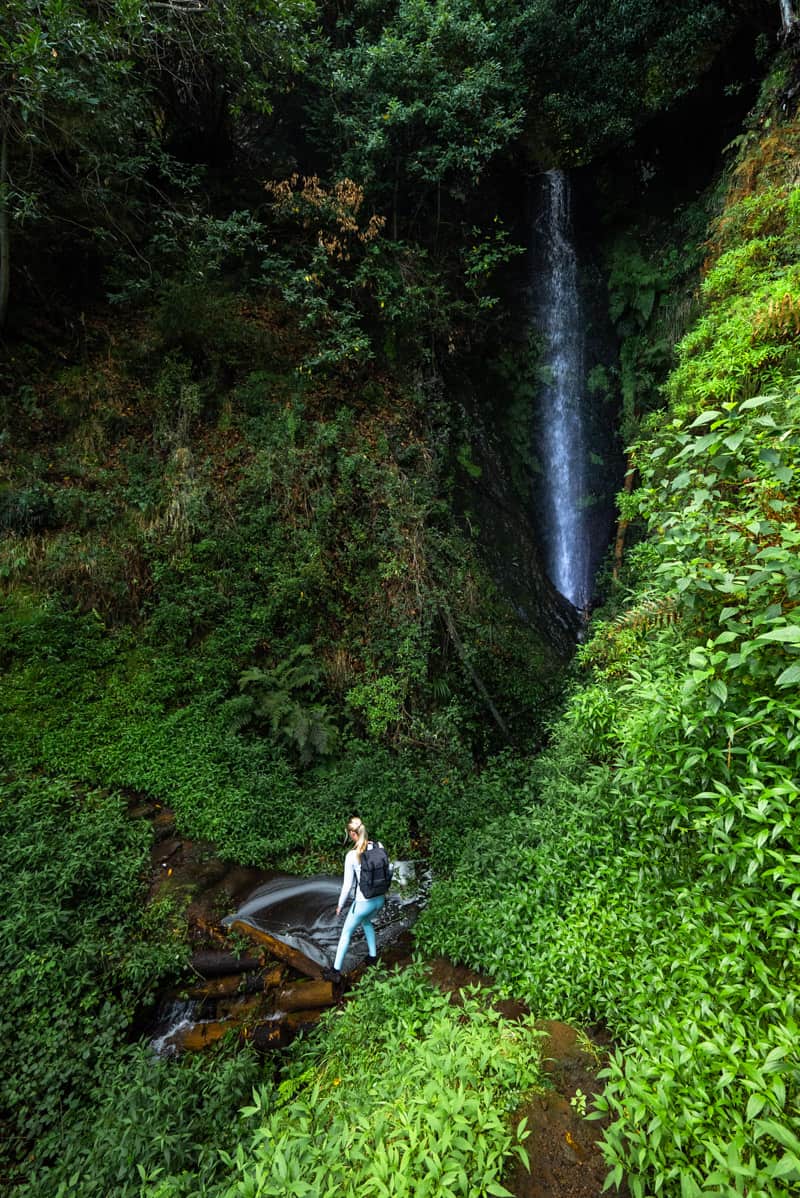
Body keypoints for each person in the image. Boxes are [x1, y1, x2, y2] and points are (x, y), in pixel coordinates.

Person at [323, 816, 386, 983]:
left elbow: (347, 886)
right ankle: (372, 957)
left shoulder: (352, 855)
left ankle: (335, 971)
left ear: (352, 834)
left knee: (346, 933)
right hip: (379, 899)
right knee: (366, 922)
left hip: (363, 903)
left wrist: (339, 906)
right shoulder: (379, 846)